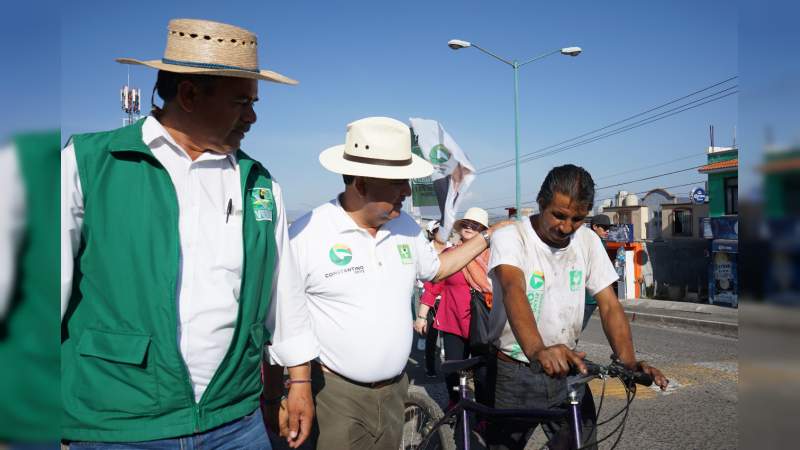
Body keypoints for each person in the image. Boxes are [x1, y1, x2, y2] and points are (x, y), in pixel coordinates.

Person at [61, 19, 317, 449]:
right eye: (241, 101)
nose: (252, 116)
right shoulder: (90, 163)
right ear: (189, 95)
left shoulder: (259, 184)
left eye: (253, 102)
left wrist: (300, 381)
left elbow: (283, 292)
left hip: (236, 422)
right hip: (121, 426)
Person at [287, 116, 504, 450]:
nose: (407, 191)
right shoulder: (307, 234)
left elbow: (437, 268)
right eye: (397, 182)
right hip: (335, 398)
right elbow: (285, 318)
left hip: (395, 394)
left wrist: (488, 237)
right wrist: (294, 386)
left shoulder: (405, 226)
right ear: (361, 183)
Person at [485, 165, 668, 450]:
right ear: (541, 203)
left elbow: (609, 304)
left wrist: (629, 362)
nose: (567, 227)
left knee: (582, 444)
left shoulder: (588, 241)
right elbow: (513, 289)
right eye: (559, 215)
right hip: (516, 371)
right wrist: (538, 350)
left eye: (577, 219)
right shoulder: (512, 237)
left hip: (569, 368)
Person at [416, 207, 493, 410]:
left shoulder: (492, 256)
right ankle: (455, 405)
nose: (469, 227)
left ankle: (484, 413)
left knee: (483, 372)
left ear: (483, 231)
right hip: (452, 322)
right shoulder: (450, 255)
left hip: (483, 323)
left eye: (475, 225)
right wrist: (422, 316)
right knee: (452, 368)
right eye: (466, 223)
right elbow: (433, 286)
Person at [419, 220, 445, 378]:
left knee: (448, 334)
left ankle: (451, 365)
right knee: (432, 334)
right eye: (437, 230)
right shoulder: (425, 249)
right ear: (431, 233)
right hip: (429, 295)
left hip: (447, 296)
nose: (441, 232)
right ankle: (430, 367)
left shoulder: (452, 249)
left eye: (443, 229)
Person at [582, 214, 611, 331]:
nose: (607, 231)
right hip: (587, 297)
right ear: (595, 227)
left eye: (609, 228)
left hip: (594, 295)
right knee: (576, 328)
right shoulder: (590, 242)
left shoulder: (600, 242)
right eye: (605, 228)